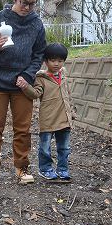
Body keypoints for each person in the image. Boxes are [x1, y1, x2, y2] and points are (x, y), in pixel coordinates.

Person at [0, 0, 47, 185]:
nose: (27, 7)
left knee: (23, 129)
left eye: (32, 4)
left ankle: (22, 167)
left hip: (22, 85)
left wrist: (27, 76)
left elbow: (39, 54)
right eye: (24, 2)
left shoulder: (36, 24)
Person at [18, 43, 76, 182]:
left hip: (65, 118)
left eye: (60, 61)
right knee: (45, 148)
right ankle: (45, 169)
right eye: (53, 60)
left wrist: (72, 112)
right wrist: (26, 87)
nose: (56, 64)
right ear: (46, 61)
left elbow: (68, 95)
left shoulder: (64, 75)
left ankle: (63, 170)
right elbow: (36, 94)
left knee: (64, 148)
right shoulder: (41, 78)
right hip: (48, 119)